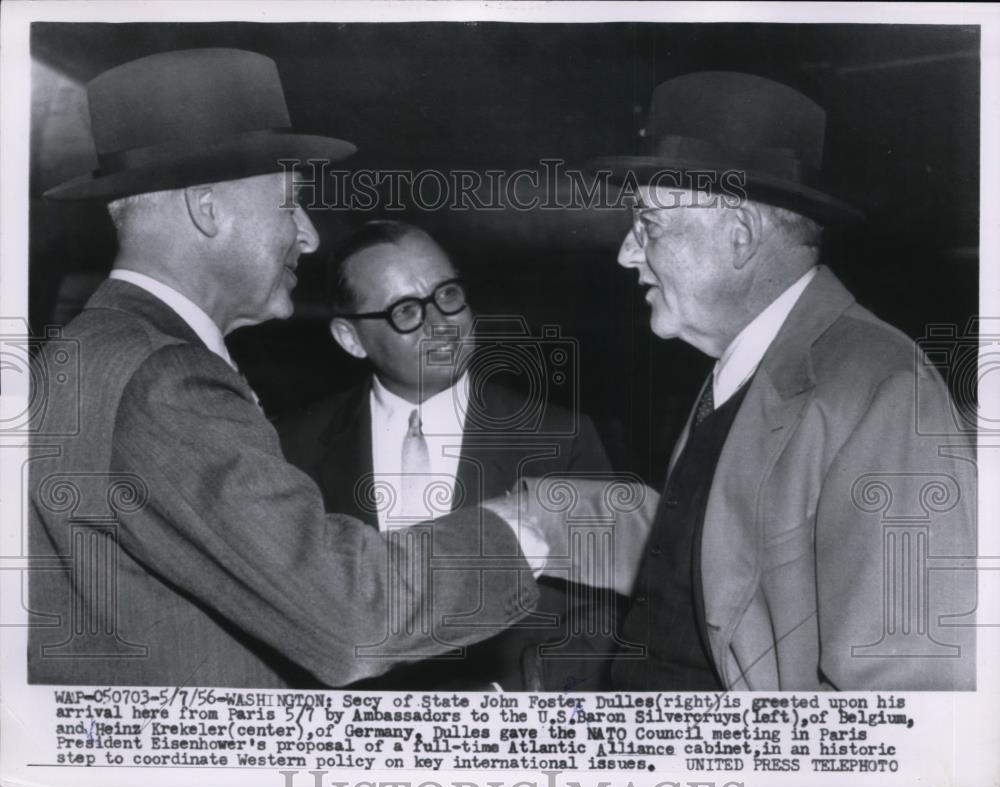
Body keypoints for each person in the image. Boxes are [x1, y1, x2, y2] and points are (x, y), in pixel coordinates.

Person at [27, 48, 645, 688]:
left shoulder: (90, 351)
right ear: (206, 209)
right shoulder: (166, 381)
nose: (310, 234)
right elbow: (351, 619)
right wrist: (533, 523)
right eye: (289, 203)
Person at [590, 71, 976, 690]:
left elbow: (908, 704)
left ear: (739, 237)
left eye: (648, 224)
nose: (626, 253)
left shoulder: (883, 390)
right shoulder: (741, 369)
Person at [276, 220, 629, 690]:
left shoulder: (559, 439)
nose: (441, 324)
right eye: (406, 311)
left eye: (446, 295)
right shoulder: (288, 448)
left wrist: (526, 701)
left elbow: (601, 614)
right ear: (351, 339)